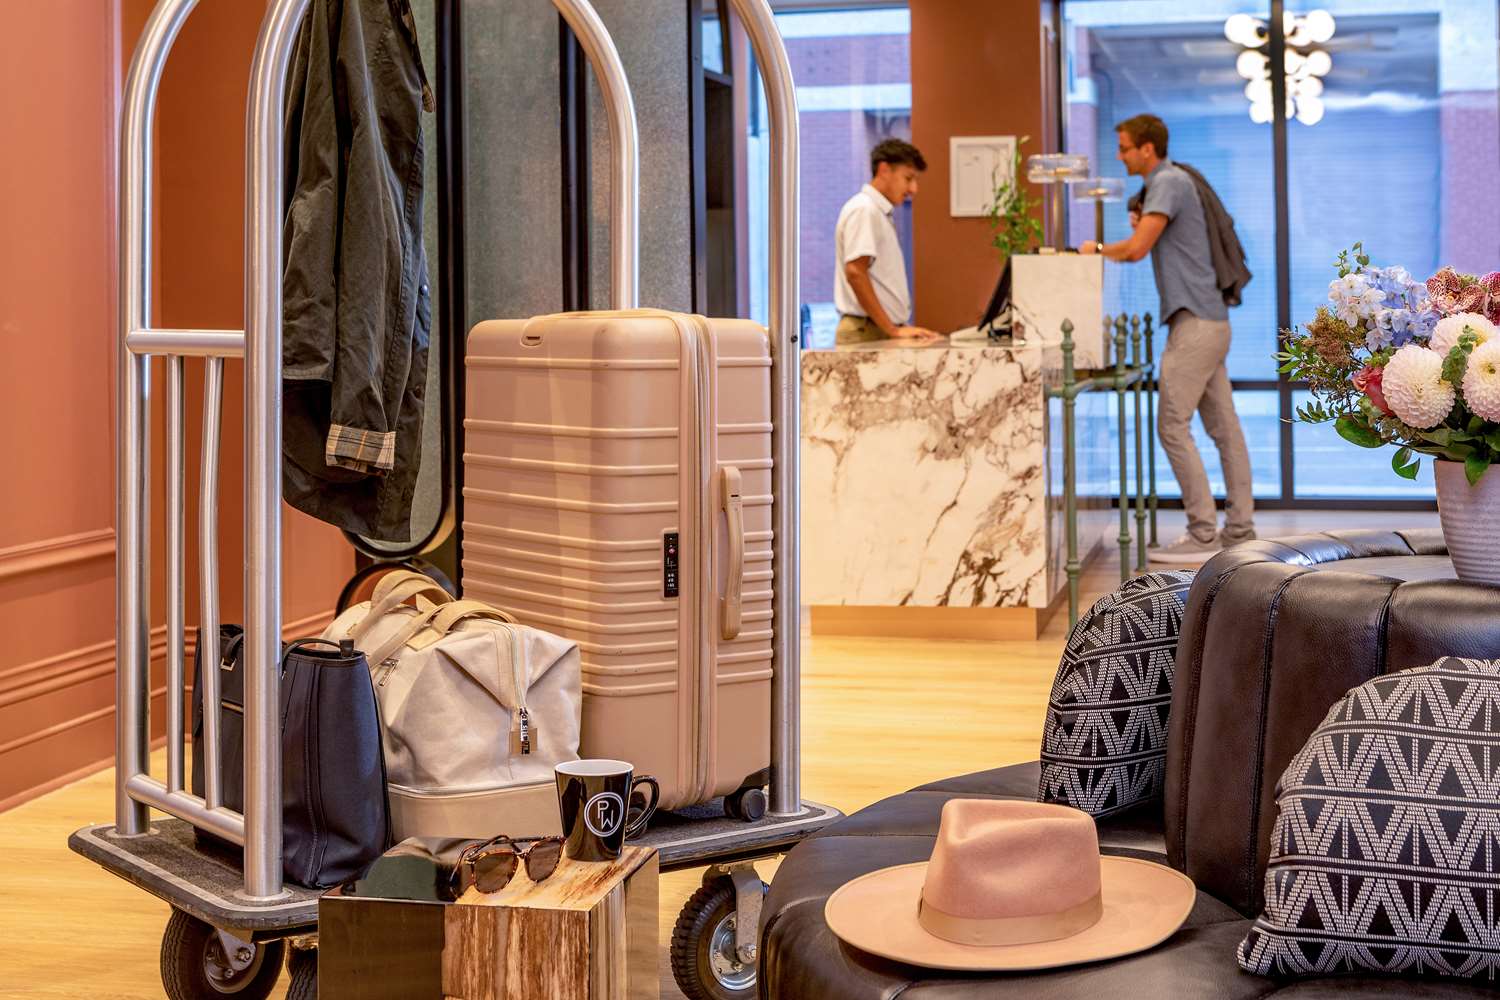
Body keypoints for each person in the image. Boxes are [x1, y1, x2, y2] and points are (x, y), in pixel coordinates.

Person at [1080, 114, 1255, 563]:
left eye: (1124, 148)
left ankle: (1202, 533)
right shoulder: (1172, 182)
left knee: (1172, 427)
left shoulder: (1168, 181)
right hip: (1211, 322)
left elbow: (1136, 249)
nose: (1119, 156)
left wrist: (1092, 249)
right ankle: (1240, 530)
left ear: (1147, 148)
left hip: (1194, 325)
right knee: (1225, 430)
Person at [833, 139, 940, 345]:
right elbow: (855, 272)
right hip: (867, 330)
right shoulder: (865, 209)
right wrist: (892, 329)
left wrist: (897, 327)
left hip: (877, 328)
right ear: (884, 170)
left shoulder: (878, 212)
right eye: (908, 178)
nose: (913, 189)